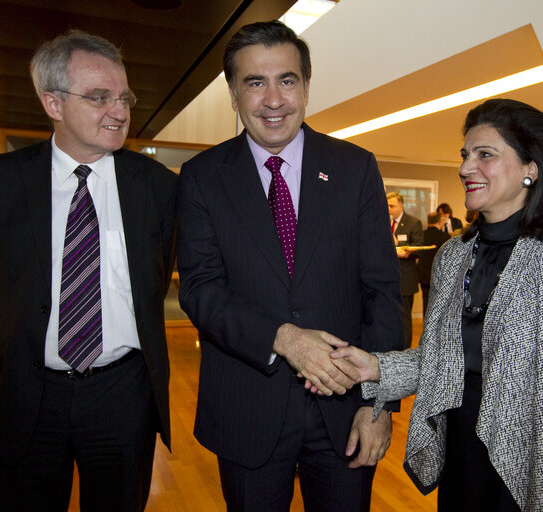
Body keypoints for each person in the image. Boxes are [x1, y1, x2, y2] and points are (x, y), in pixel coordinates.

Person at [329, 99, 543, 511]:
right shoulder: (454, 255)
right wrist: (377, 367)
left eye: (485, 155)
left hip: (542, 464)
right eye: (466, 156)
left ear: (531, 168)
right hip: (464, 454)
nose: (467, 168)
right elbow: (448, 356)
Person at [176, 20, 403, 512]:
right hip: (246, 410)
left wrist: (379, 403)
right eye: (255, 83)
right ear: (233, 95)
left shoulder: (355, 167)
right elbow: (202, 291)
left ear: (305, 86)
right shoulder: (201, 178)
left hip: (346, 412)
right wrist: (284, 338)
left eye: (287, 80)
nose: (273, 100)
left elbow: (383, 291)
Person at [0, 30, 177, 511]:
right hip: (23, 395)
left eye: (123, 97)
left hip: (122, 397)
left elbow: (153, 282)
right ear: (53, 103)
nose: (119, 111)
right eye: (99, 97)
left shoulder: (159, 188)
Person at [388, 191, 424, 348]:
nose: (388, 209)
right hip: (387, 278)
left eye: (392, 206)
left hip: (405, 278)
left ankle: (405, 350)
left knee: (404, 318)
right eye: (387, 205)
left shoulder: (413, 223)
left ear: (401, 206)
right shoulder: (383, 222)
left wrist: (400, 248)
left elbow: (419, 248)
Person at [418, 211, 450, 313]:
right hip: (439, 274)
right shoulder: (445, 237)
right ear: (440, 221)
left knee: (426, 302)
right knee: (438, 304)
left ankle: (425, 325)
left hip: (424, 274)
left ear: (428, 222)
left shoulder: (422, 235)